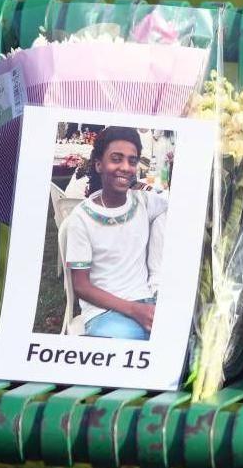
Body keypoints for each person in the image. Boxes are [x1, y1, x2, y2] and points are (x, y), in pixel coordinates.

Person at [64, 126, 168, 340]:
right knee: (130, 348)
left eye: (132, 160)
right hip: (105, 312)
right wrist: (132, 309)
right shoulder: (81, 218)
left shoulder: (143, 202)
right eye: (116, 159)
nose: (126, 167)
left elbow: (179, 210)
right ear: (99, 164)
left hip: (148, 303)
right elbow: (81, 286)